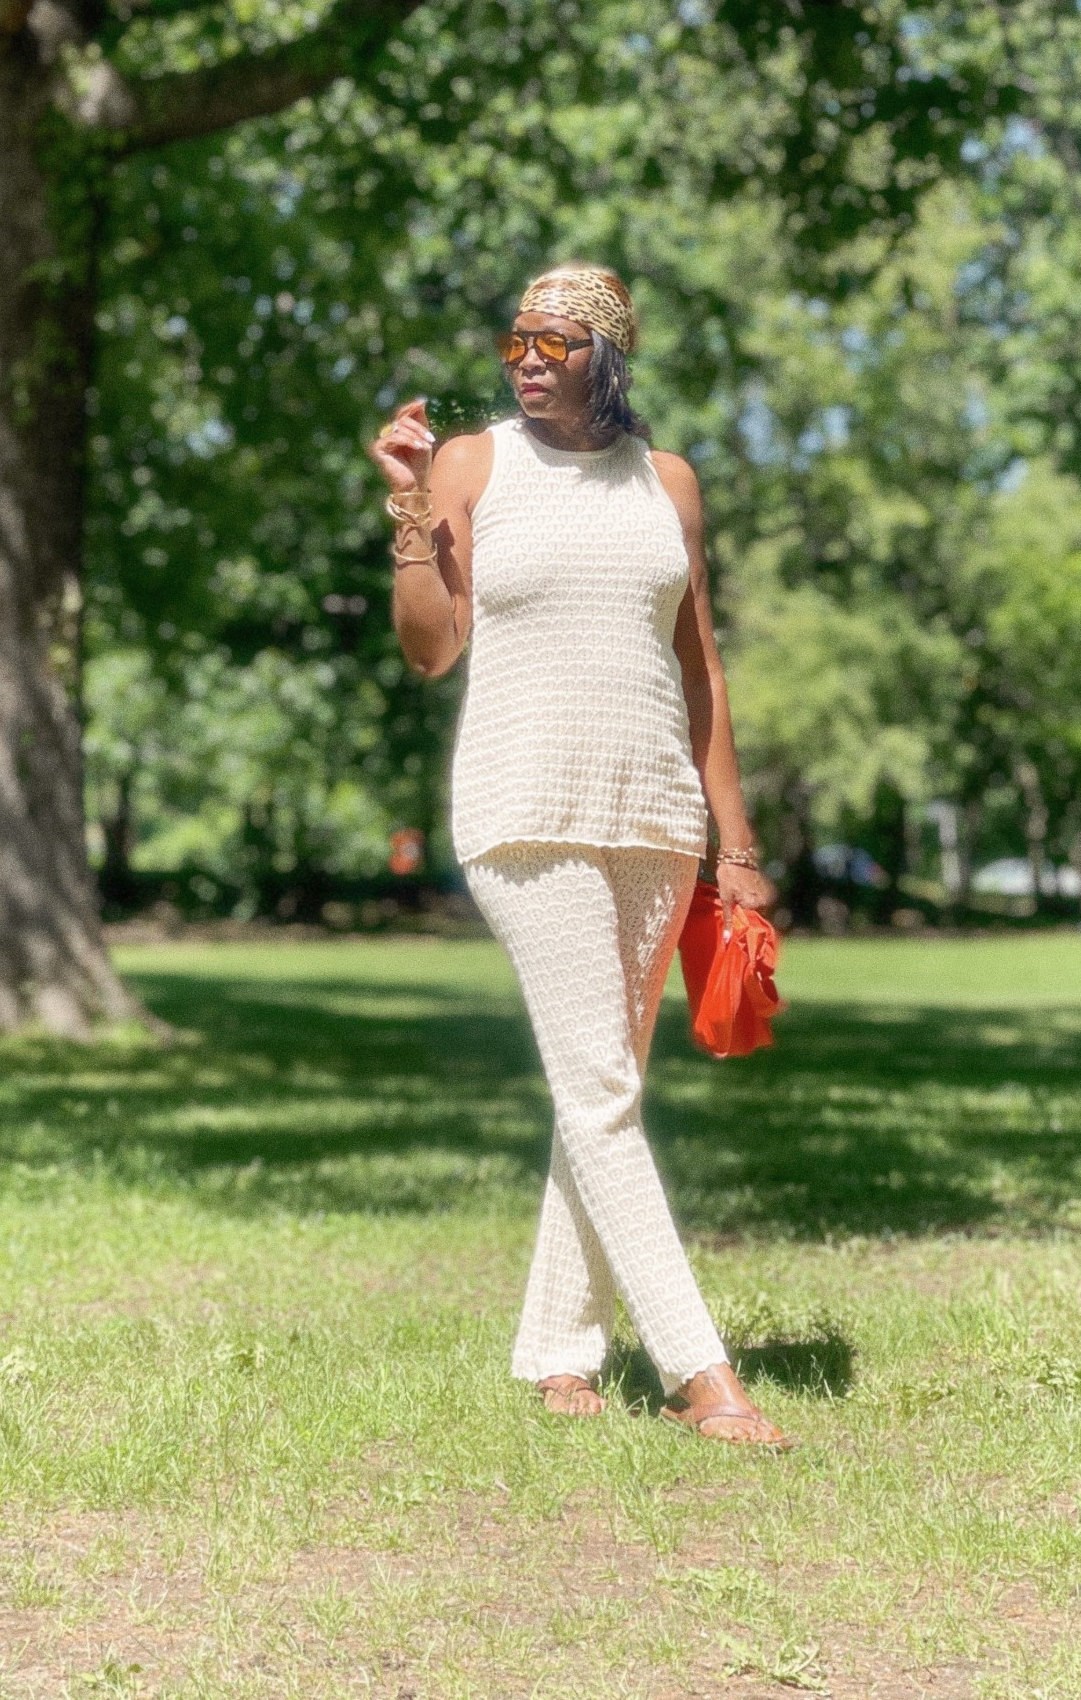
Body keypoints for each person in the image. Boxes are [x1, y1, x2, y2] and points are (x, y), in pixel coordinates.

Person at [366, 264, 792, 1449]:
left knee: (599, 1084)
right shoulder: (473, 462)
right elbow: (428, 650)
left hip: (655, 815)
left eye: (554, 341)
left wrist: (736, 840)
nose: (529, 359)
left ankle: (561, 1350)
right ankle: (703, 1370)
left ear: (606, 354)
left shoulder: (670, 484)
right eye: (516, 341)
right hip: (523, 807)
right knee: (602, 1087)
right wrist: (407, 507)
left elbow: (700, 668)